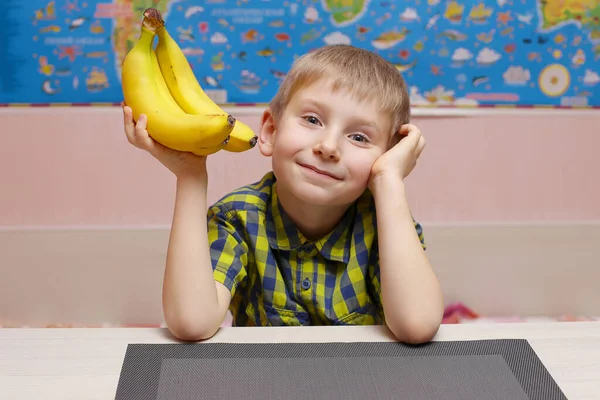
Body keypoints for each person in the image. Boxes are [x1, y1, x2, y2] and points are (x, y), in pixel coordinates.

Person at [122, 44, 444, 344]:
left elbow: (417, 324)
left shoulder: (385, 223)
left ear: (387, 156)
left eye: (359, 137)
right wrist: (191, 177)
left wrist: (389, 181)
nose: (329, 147)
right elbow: (191, 322)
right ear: (270, 132)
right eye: (312, 119)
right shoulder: (237, 218)